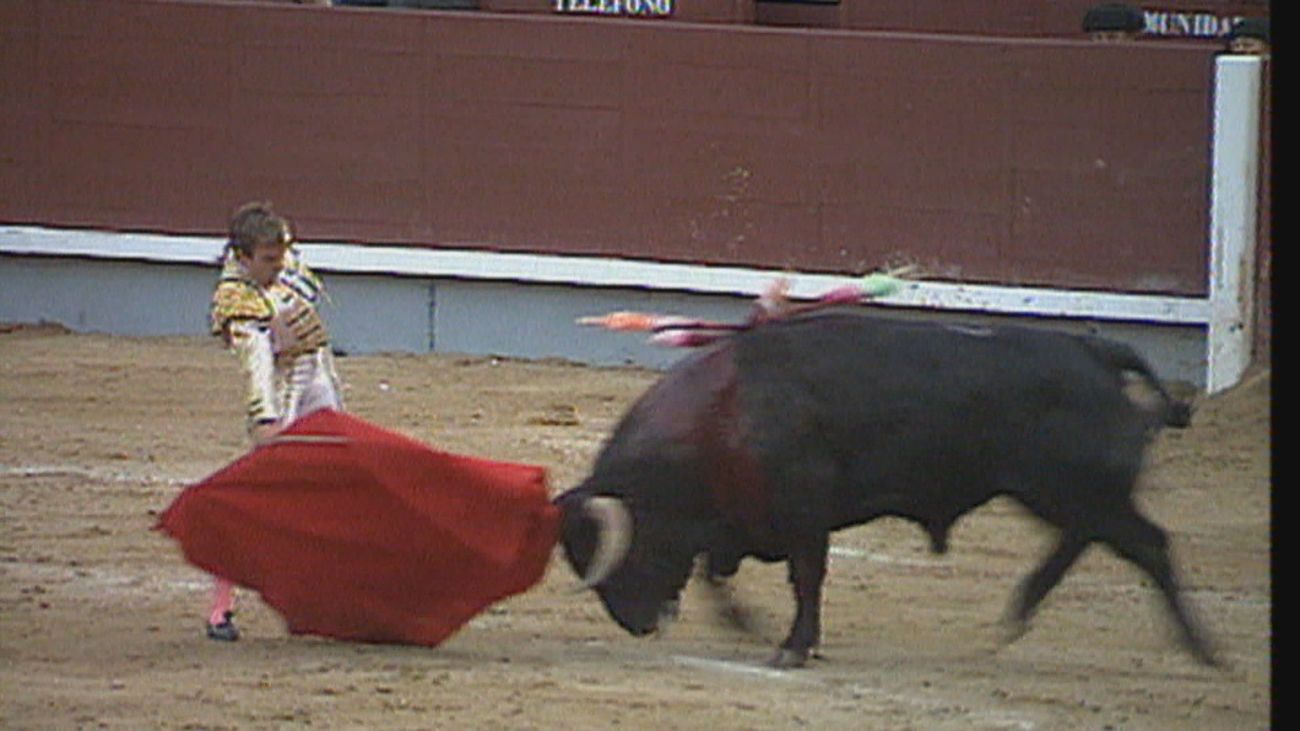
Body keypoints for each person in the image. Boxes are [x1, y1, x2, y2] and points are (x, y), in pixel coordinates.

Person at [203, 201, 345, 641]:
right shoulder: (237, 301)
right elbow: (257, 363)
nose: (279, 265)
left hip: (316, 375)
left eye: (281, 255)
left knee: (337, 480)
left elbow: (303, 286)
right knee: (259, 500)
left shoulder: (283, 256)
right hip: (281, 389)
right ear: (243, 258)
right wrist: (264, 419)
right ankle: (220, 609)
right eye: (268, 260)